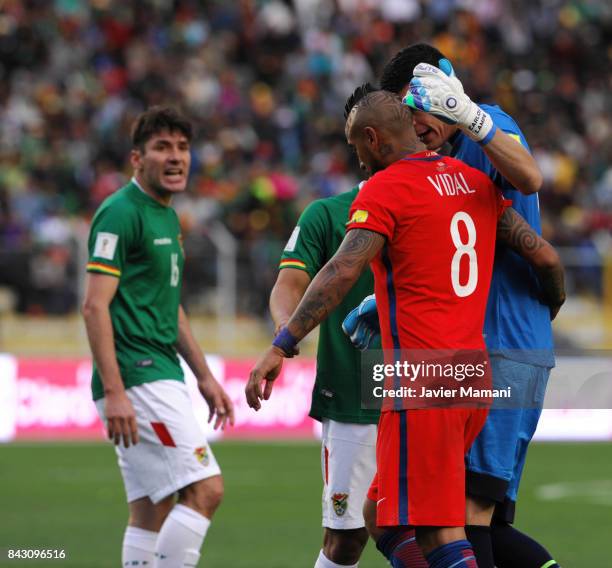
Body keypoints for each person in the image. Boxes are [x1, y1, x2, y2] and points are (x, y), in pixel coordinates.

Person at [247, 90, 512, 568]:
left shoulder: (388, 191)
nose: (357, 157)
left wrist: (282, 345)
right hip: (465, 374)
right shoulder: (470, 181)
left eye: (356, 146)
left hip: (420, 378)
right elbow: (538, 251)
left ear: (371, 139)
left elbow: (340, 272)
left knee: (437, 530)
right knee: (379, 519)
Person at [347, 43, 564, 568]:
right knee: (391, 514)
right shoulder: (436, 159)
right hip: (466, 354)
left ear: (442, 93)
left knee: (462, 519)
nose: (413, 127)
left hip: (500, 344)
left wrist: (467, 115)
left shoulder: (484, 124)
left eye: (416, 111)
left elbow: (531, 180)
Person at [82, 106, 234, 568]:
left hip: (159, 373)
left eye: (183, 148)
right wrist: (115, 391)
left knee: (151, 509)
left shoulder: (167, 216)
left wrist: (204, 375)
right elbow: (94, 305)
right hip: (139, 377)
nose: (176, 158)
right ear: (136, 157)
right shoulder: (120, 213)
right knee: (206, 489)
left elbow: (172, 307)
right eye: (162, 147)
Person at [270, 84, 381, 568]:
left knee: (435, 531)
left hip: (429, 389)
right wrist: (284, 337)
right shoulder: (328, 214)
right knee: (346, 539)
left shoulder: (438, 204)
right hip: (353, 396)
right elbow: (289, 284)